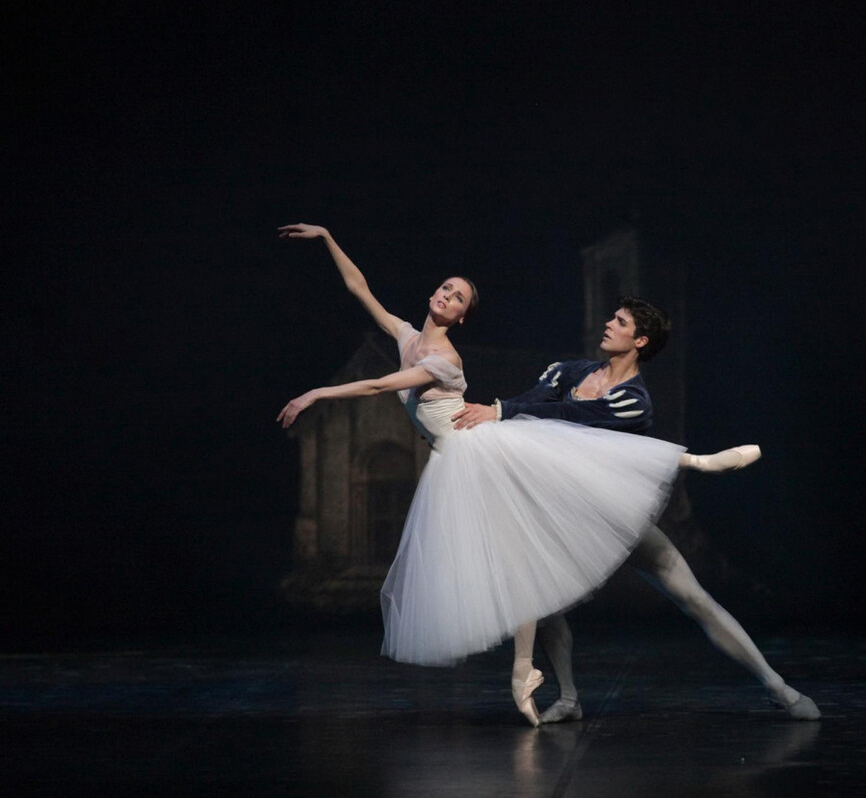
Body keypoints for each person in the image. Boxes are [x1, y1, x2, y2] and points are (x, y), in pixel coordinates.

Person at [276, 223, 756, 727]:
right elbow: (360, 288)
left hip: (480, 451)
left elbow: (379, 386)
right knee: (524, 566)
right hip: (460, 458)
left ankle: (695, 461)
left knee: (538, 512)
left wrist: (316, 394)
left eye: (458, 297)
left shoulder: (444, 359)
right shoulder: (406, 337)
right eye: (445, 288)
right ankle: (541, 679)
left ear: (462, 317)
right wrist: (327, 237)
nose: (446, 296)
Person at [452, 302, 822, 723]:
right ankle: (569, 698)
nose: (609, 324)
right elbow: (533, 402)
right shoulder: (569, 372)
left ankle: (779, 688)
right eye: (613, 317)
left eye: (621, 322)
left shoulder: (634, 401)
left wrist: (501, 411)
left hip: (612, 516)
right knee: (544, 602)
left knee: (693, 598)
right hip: (567, 514)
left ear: (640, 341)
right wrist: (492, 415)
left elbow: (571, 415)